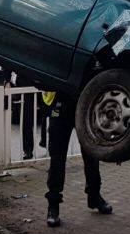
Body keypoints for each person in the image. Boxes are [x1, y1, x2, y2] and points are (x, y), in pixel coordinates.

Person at [41, 91, 112, 227]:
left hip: (85, 106)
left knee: (91, 155)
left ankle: (94, 195)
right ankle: (53, 205)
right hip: (60, 105)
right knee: (57, 159)